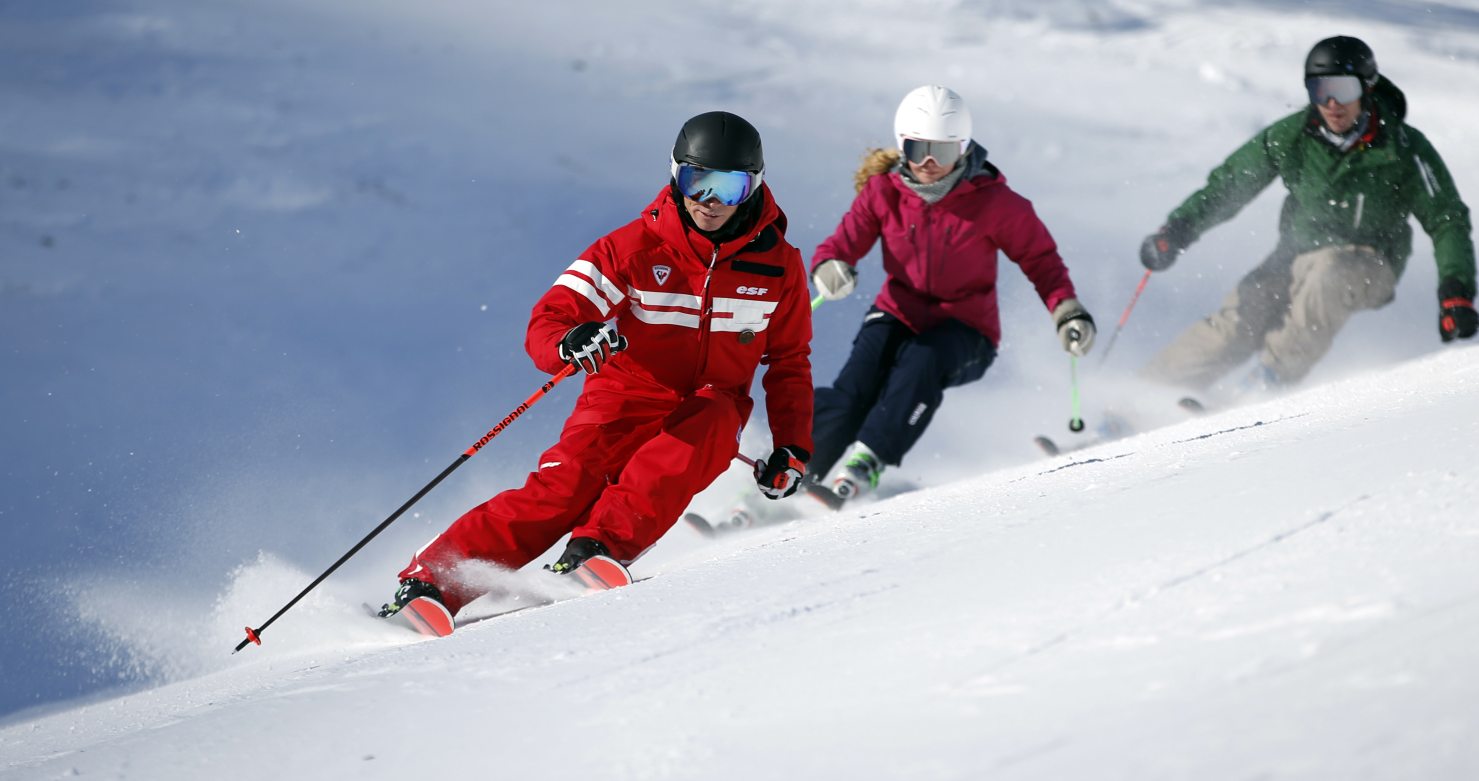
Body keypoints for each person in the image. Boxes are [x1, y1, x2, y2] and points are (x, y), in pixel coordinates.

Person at [379, 112, 814, 634]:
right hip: (623, 394)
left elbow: (789, 361)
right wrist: (570, 340)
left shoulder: (778, 267)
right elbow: (553, 314)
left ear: (754, 187)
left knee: (710, 426)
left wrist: (793, 446)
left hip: (708, 405)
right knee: (564, 489)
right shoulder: (632, 247)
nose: (710, 200)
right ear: (675, 176)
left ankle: (595, 550)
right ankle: (431, 582)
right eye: (696, 180)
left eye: (729, 186)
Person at [1136, 36, 1479, 393]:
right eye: (1319, 90)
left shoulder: (1404, 148)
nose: (1331, 103)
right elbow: (1232, 184)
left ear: (1367, 87)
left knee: (1329, 272)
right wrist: (1179, 229)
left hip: (1371, 263)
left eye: (1343, 90)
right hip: (1297, 255)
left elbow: (1447, 220)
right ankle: (1136, 403)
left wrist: (1456, 291)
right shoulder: (1293, 136)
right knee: (1240, 319)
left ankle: (1267, 381)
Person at [805, 85, 1093, 507]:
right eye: (918, 148)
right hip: (896, 312)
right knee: (854, 386)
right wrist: (830, 267)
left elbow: (1041, 260)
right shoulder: (883, 192)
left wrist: (1066, 311)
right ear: (902, 145)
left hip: (966, 330)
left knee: (923, 362)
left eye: (942, 151)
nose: (928, 163)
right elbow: (841, 245)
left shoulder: (996, 203)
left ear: (963, 148)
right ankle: (798, 467)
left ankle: (868, 459)